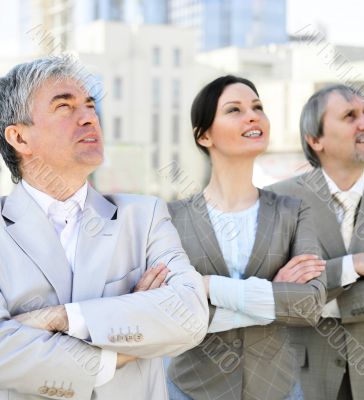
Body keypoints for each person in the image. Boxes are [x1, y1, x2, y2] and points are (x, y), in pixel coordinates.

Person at [0, 55, 208, 400]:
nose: (88, 118)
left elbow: (189, 315)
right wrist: (124, 341)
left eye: (90, 105)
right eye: (64, 107)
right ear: (20, 138)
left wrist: (64, 317)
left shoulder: (145, 216)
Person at [164, 75, 327, 400]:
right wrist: (273, 294)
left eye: (258, 107)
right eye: (234, 109)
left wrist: (209, 287)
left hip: (278, 389)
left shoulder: (294, 212)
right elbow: (169, 312)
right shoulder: (170, 218)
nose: (252, 116)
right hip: (192, 390)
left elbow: (309, 305)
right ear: (204, 134)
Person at [269, 84, 364, 400]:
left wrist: (318, 302)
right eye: (350, 115)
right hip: (303, 377)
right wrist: (351, 266)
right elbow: (271, 289)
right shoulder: (278, 201)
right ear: (315, 140)